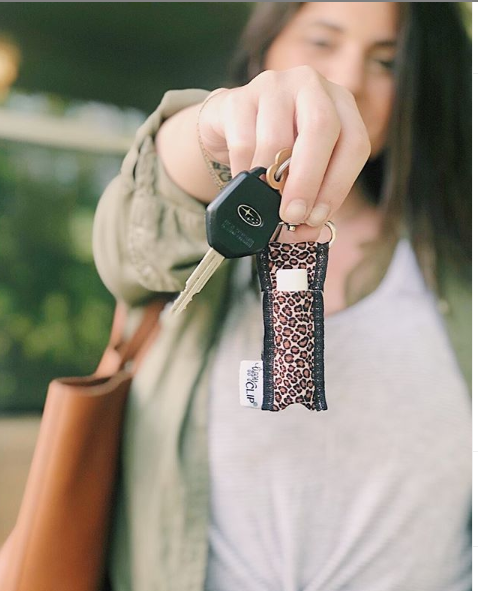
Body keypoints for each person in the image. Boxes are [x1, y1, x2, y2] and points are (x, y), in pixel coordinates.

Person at [92, 3, 471, 590]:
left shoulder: (456, 253)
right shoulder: (197, 221)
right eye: (321, 42)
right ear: (264, 51)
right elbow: (135, 232)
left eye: (388, 63)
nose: (347, 80)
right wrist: (212, 127)